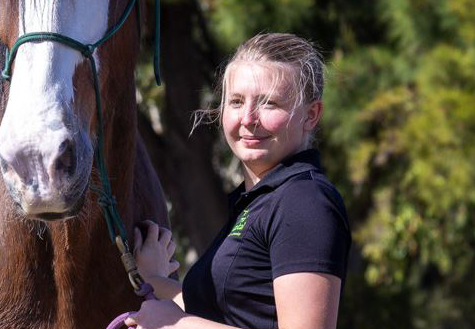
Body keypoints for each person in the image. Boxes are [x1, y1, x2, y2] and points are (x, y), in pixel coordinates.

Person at [128, 33, 351, 329]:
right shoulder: (260, 201)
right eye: (236, 101)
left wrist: (177, 325)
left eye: (269, 103)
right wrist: (153, 279)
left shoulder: (304, 202)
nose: (248, 118)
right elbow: (219, 311)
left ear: (311, 115)